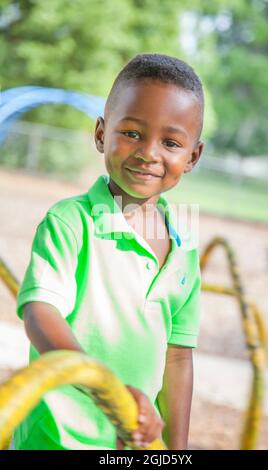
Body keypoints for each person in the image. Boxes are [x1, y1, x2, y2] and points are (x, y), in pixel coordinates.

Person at [12, 53, 204, 450]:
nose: (149, 152)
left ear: (192, 158)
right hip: (54, 439)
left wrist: (176, 448)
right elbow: (40, 313)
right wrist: (108, 389)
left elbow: (178, 358)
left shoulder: (185, 250)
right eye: (132, 133)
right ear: (101, 134)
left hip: (130, 444)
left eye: (170, 142)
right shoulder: (70, 222)